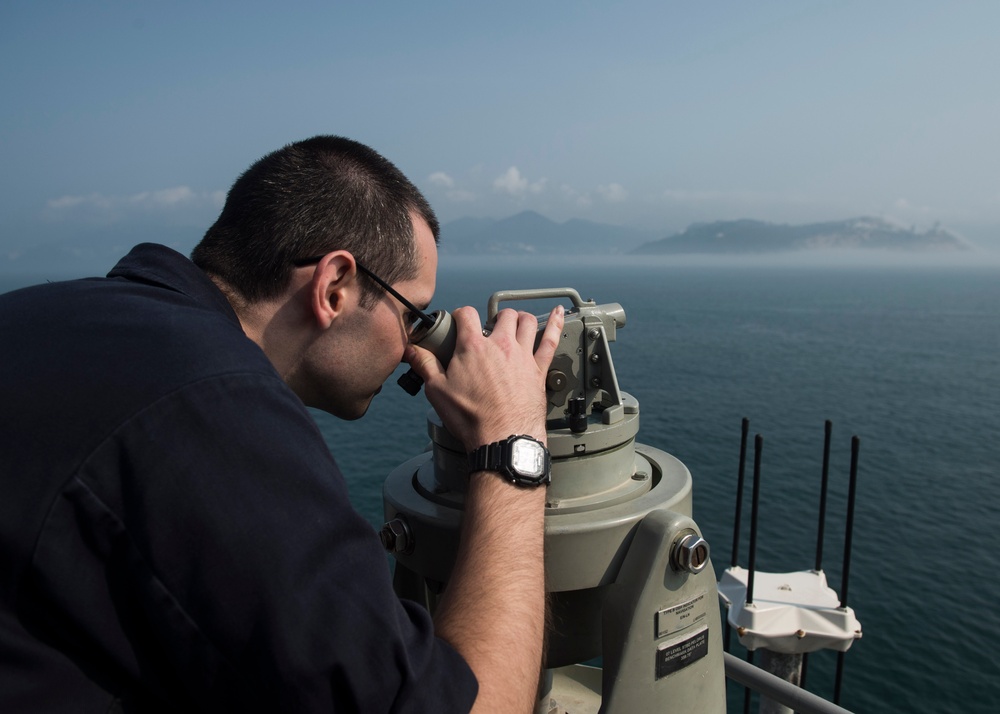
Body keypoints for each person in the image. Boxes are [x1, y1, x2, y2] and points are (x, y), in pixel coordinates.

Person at [0, 135, 565, 713]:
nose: (409, 349)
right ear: (334, 287)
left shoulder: (48, 317)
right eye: (413, 315)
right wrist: (511, 438)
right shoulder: (217, 414)